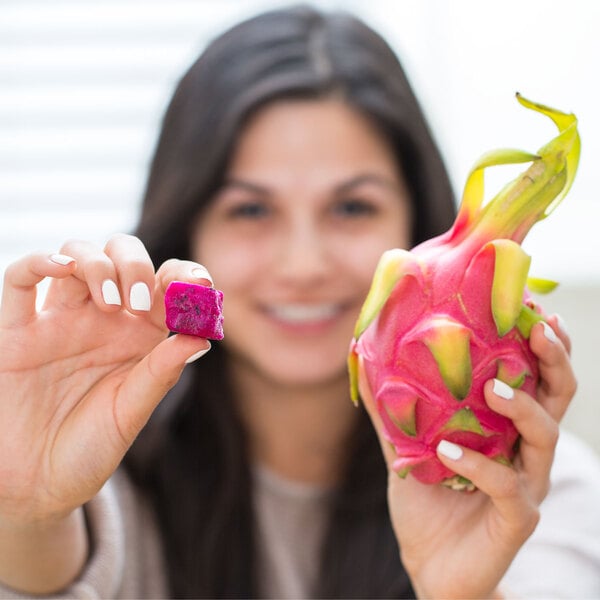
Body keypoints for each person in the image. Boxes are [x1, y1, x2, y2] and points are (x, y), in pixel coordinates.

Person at [1, 5, 599, 599]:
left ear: (415, 224)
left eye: (351, 207)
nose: (303, 265)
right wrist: (27, 515)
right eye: (251, 210)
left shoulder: (529, 494)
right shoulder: (100, 466)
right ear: (188, 235)